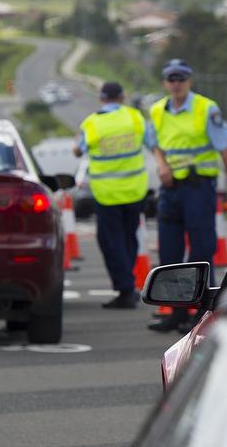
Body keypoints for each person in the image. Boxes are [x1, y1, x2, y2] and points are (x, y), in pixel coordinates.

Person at [146, 59, 227, 332]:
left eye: (181, 79)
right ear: (165, 82)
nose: (176, 84)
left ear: (189, 81)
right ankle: (176, 313)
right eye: (171, 79)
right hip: (171, 191)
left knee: (201, 252)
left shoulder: (205, 108)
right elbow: (155, 143)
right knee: (170, 254)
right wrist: (162, 164)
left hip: (199, 189)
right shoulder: (157, 110)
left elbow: (225, 151)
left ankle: (200, 314)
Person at [73, 82, 149, 309]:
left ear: (102, 99)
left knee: (110, 242)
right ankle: (128, 286)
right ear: (122, 97)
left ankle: (126, 289)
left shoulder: (92, 123)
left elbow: (78, 150)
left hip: (107, 195)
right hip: (135, 191)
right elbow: (153, 143)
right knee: (128, 239)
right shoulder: (135, 118)